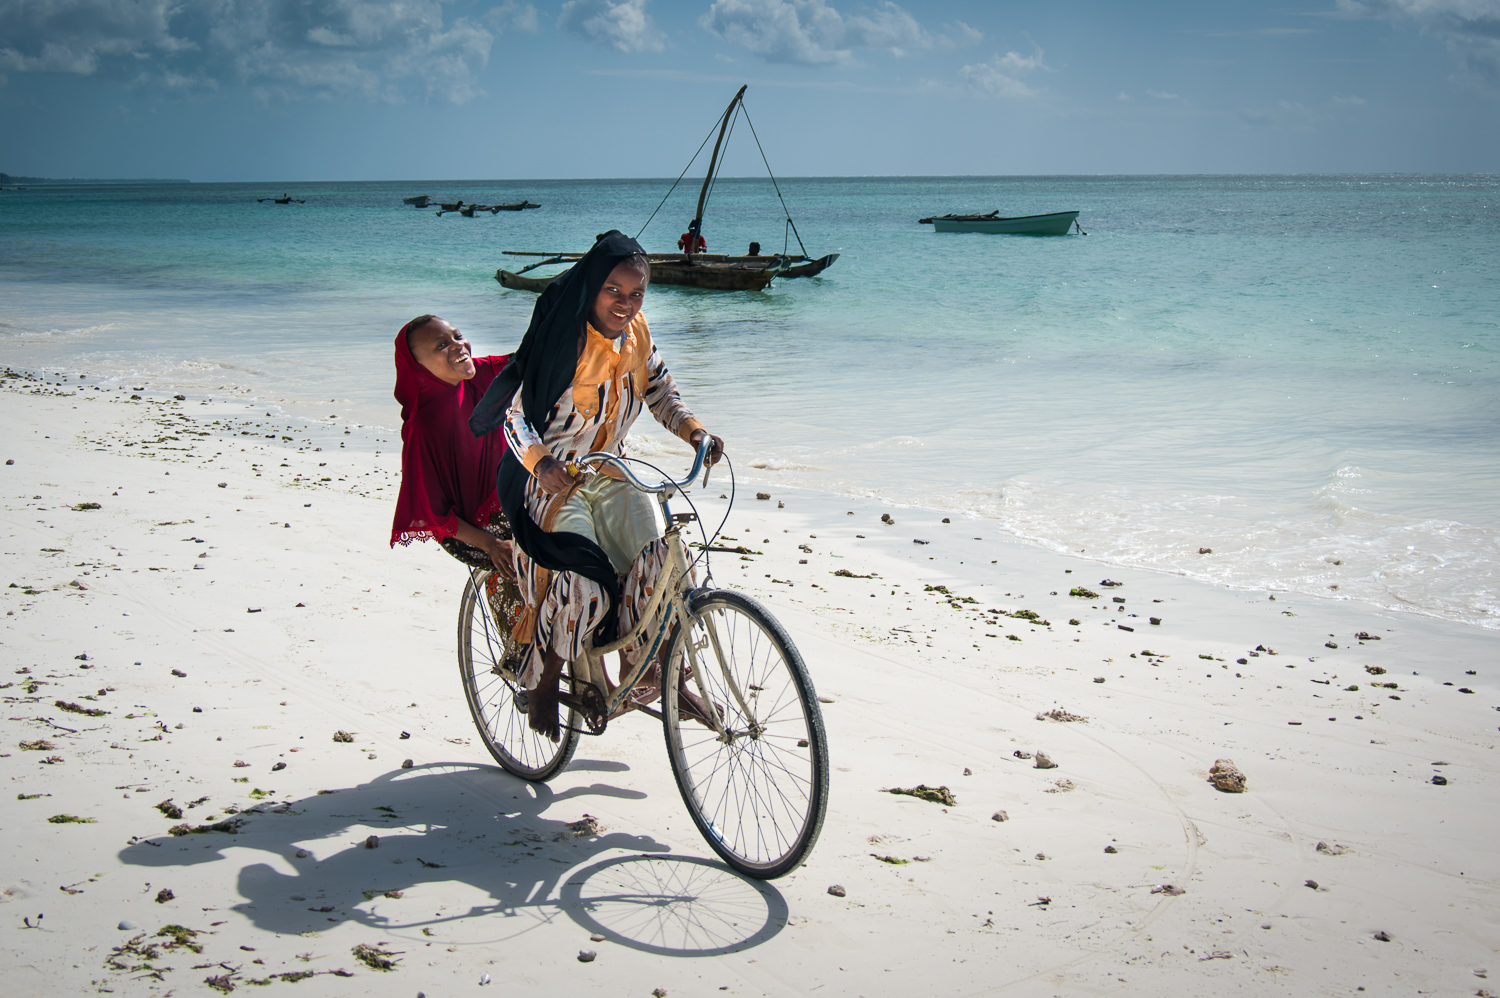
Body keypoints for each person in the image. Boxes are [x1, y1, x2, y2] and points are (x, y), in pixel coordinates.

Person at [469, 231, 724, 740]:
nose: (625, 304)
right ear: (591, 286)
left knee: (664, 563)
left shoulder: (638, 336)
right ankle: (543, 676)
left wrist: (695, 431)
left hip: (611, 471)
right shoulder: (562, 339)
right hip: (552, 483)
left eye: (636, 294)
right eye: (614, 290)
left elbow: (658, 390)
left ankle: (653, 666)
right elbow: (513, 418)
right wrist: (542, 465)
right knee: (583, 582)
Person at [390, 315, 515, 578]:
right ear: (419, 367)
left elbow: (530, 358)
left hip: (513, 500)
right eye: (441, 346)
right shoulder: (423, 427)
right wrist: (491, 545)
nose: (458, 346)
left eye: (457, 337)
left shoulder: (481, 375)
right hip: (475, 535)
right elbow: (433, 513)